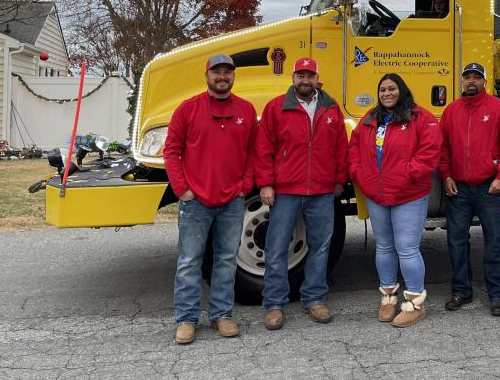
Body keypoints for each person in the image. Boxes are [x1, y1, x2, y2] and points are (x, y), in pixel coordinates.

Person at [165, 53, 257, 345]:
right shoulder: (187, 109)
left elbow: (253, 152)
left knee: (227, 260)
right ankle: (186, 319)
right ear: (207, 75)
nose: (222, 77)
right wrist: (183, 190)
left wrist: (245, 186)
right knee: (190, 261)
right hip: (196, 202)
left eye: (227, 72)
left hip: (232, 201)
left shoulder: (245, 109)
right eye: (216, 72)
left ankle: (222, 315)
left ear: (233, 76)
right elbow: (171, 151)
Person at [255, 58, 348, 330]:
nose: (305, 81)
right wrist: (266, 183)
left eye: (310, 76)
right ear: (293, 77)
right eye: (300, 75)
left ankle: (314, 298)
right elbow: (264, 148)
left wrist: (339, 179)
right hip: (286, 190)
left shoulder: (331, 108)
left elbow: (341, 146)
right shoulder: (276, 107)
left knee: (320, 246)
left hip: (322, 190)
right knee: (276, 247)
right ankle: (274, 304)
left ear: (317, 78)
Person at [349, 73, 441, 327]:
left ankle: (414, 303)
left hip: (408, 194)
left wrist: (408, 173)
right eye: (382, 90)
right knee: (384, 247)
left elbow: (430, 152)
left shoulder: (420, 117)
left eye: (392, 88)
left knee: (407, 248)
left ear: (401, 90)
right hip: (377, 194)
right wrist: (359, 172)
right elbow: (354, 146)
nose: (387, 93)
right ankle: (388, 297)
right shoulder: (370, 117)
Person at [439, 62, 500, 316]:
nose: (471, 82)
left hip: (490, 188)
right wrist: (446, 176)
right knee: (456, 241)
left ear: (485, 81)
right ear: (462, 82)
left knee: (495, 242)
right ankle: (461, 291)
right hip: (459, 188)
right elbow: (443, 149)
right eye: (467, 78)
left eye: (477, 77)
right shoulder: (451, 111)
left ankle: (497, 295)